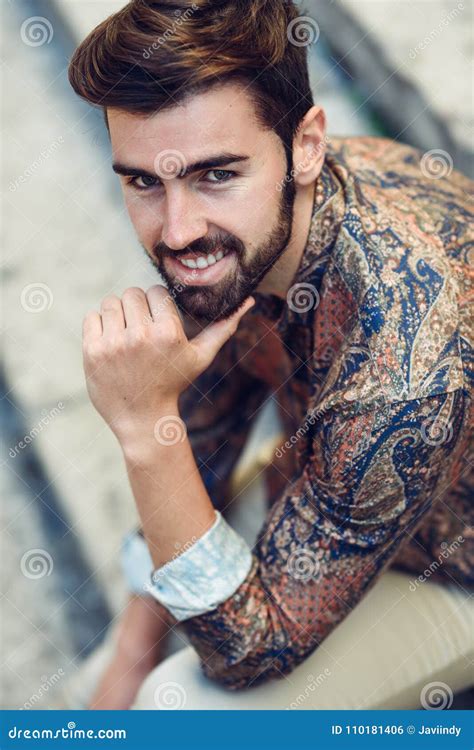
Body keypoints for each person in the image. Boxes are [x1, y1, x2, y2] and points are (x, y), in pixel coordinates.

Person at [67, 0, 473, 709]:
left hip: (451, 564)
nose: (179, 231)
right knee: (106, 682)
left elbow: (248, 652)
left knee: (178, 708)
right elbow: (208, 422)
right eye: (143, 182)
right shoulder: (257, 229)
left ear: (307, 144)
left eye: (214, 175)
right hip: (335, 481)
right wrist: (132, 649)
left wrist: (141, 427)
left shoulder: (408, 368)